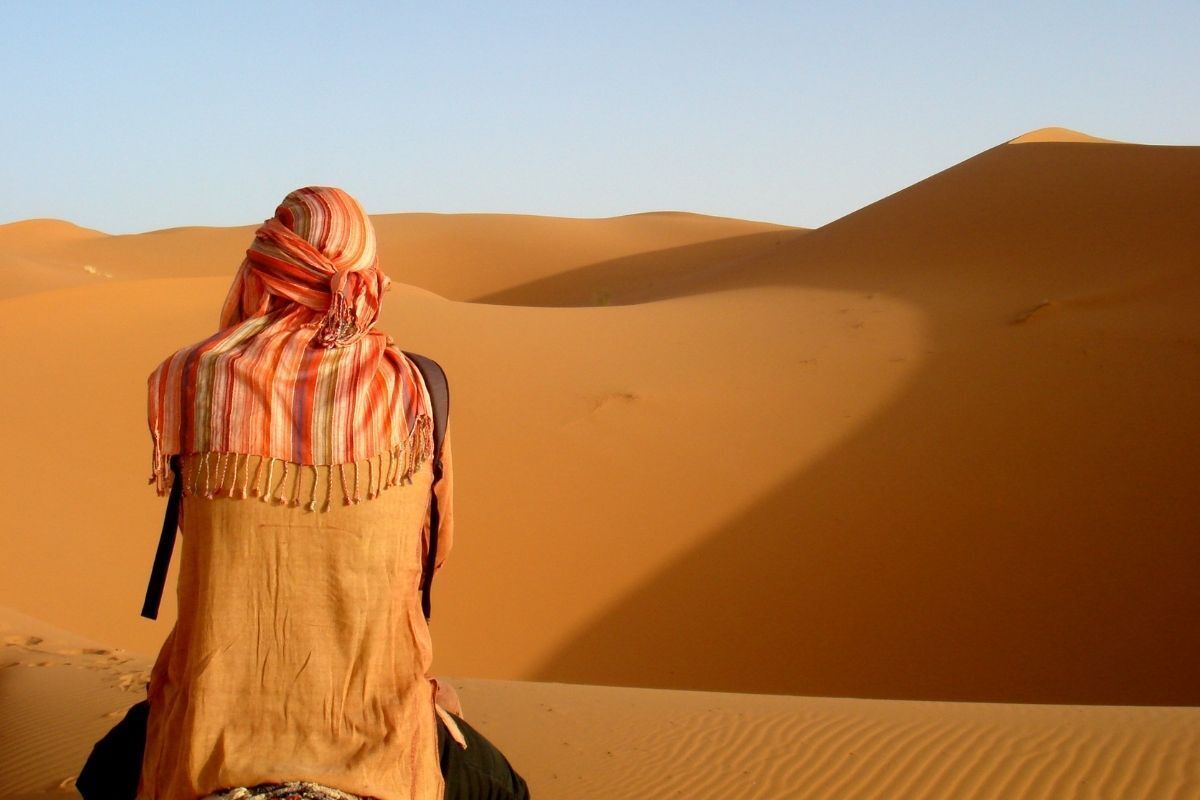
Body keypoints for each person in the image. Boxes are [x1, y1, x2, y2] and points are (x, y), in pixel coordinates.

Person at [79, 187, 528, 800]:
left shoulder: (193, 378)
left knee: (101, 775)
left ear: (262, 268)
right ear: (364, 277)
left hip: (208, 730)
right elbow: (432, 555)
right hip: (379, 729)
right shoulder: (419, 390)